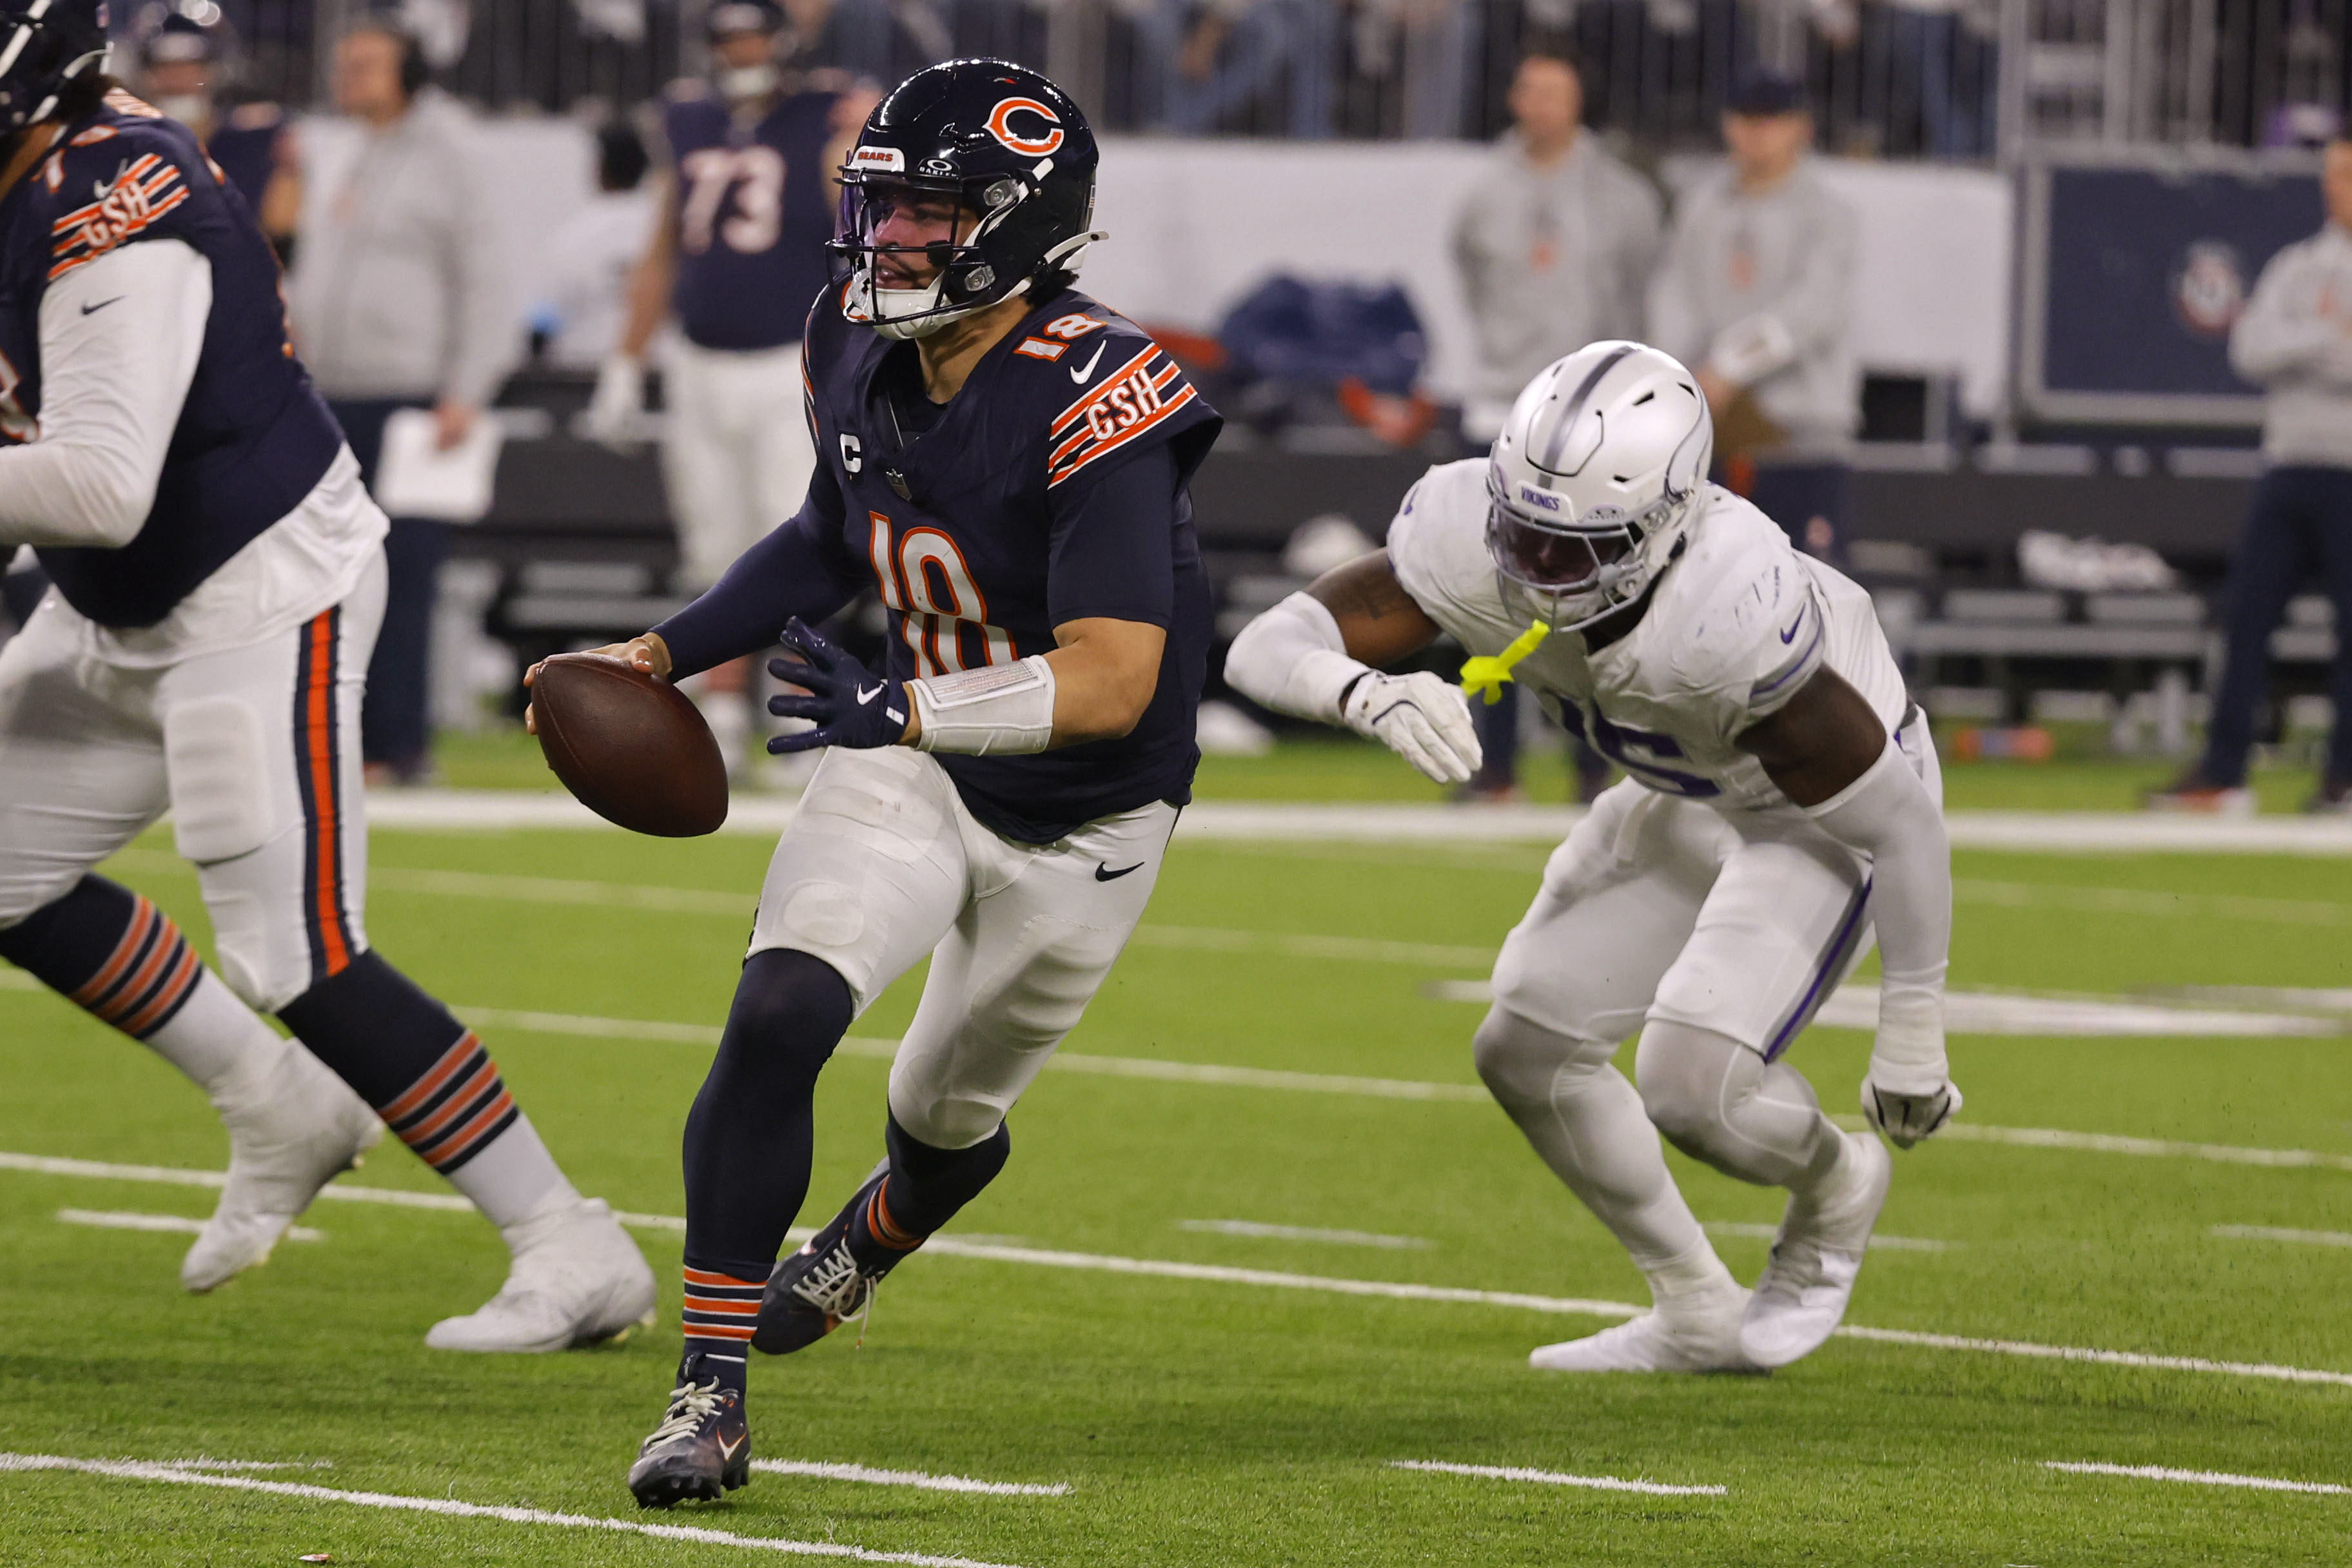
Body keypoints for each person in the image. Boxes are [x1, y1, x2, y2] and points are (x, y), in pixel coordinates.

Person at [532, 60, 1220, 1507]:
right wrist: (658, 651)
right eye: (882, 205)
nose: (889, 239)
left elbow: (1113, 677)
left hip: (1085, 809)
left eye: (928, 213)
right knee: (781, 1009)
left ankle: (875, 1235)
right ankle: (707, 1391)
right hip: (909, 760)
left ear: (1020, 227)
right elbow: (823, 537)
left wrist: (906, 700)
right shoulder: (848, 333)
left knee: (947, 1120)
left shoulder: (1102, 387)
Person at [0, 6, 652, 1348]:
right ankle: (277, 1100)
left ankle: (569, 1239)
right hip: (118, 602)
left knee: (294, 948)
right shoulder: (34, 179)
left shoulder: (113, 197)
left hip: (257, 587)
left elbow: (102, 484)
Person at [1225, 341, 1959, 1373]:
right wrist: (1365, 692)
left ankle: (1836, 1182)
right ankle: (1696, 1307)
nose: (1533, 569)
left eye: (1573, 551)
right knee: (1524, 1049)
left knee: (1691, 1088)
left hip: (1813, 814)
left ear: (1667, 524)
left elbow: (1901, 824)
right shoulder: (1468, 533)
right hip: (1685, 787)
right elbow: (1265, 643)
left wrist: (1913, 1028)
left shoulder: (1726, 616)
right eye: (1520, 532)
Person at [587, 0, 868, 772]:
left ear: (782, 44)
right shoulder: (686, 119)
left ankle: (803, 709)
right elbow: (662, 247)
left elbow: (861, 230)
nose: (740, 53)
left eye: (752, 38)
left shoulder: (828, 112)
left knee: (798, 542)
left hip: (789, 361)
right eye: (729, 40)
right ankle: (720, 712)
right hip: (699, 360)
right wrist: (626, 358)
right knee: (711, 545)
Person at [286, 17, 516, 785]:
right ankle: (338, 738)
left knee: (400, 578)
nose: (348, 76)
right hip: (330, 394)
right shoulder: (340, 149)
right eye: (345, 63)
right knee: (326, 574)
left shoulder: (452, 156)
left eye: (368, 64)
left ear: (410, 73)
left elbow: (486, 278)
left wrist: (466, 388)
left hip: (412, 397)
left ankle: (399, 744)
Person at [1451, 46, 1660, 801]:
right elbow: (1472, 277)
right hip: (1502, 402)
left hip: (1588, 416)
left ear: (1577, 102)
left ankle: (1594, 769)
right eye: (1530, 90)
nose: (1541, 105)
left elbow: (1637, 290)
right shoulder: (1484, 191)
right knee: (1492, 592)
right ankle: (1493, 767)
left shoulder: (1622, 196)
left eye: (1556, 92)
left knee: (1592, 595)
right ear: (1514, 98)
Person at [2151, 133, 2352, 818]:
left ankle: (2343, 777)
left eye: (2347, 174)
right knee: (2246, 617)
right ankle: (2223, 770)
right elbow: (2250, 347)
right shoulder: (2299, 264)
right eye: (2331, 174)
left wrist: (2302, 350)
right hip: (2288, 464)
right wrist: (2324, 340)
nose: (2335, 187)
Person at [1648, 67, 1859, 564]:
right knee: (1700, 584)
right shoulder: (1702, 205)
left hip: (1800, 435)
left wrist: (1727, 368)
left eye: (1772, 120)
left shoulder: (1827, 213)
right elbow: (1673, 295)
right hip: (1711, 437)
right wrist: (1679, 377)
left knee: (1804, 586)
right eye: (1746, 118)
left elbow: (1811, 309)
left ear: (1800, 127)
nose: (1757, 133)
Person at [130, 2, 299, 255]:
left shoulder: (250, 141)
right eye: (165, 67)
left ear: (213, 70)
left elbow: (280, 231)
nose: (178, 80)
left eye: (191, 67)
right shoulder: (124, 146)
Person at [531, 119, 658, 371]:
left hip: (583, 374)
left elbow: (542, 323)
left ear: (600, 168)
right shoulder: (664, 234)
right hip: (654, 372)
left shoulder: (573, 238)